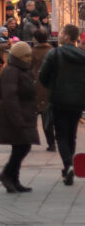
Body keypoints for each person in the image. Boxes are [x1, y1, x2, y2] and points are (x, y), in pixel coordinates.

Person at [38, 23, 85, 186]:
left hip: (58, 100)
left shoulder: (55, 54)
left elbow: (43, 76)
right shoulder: (83, 55)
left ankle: (68, 165)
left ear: (66, 36)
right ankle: (69, 166)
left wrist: (51, 85)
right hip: (78, 101)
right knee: (71, 134)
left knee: (61, 135)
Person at [0, 41, 39, 193]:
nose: (29, 58)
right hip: (15, 115)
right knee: (22, 146)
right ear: (20, 56)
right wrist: (17, 119)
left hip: (24, 114)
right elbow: (10, 97)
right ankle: (7, 175)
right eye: (26, 55)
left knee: (21, 146)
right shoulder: (12, 71)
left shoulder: (22, 69)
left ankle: (13, 179)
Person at [29, 29, 55, 151]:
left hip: (35, 86)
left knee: (31, 118)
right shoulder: (52, 51)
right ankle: (51, 143)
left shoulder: (33, 51)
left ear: (36, 39)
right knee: (47, 118)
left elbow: (29, 67)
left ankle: (28, 142)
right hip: (49, 87)